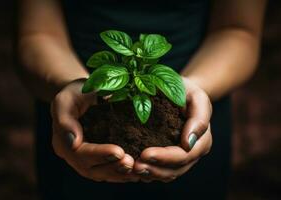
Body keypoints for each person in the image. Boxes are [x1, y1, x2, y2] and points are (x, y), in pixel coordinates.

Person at [17, 0, 266, 199]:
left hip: (190, 104)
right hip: (80, 107)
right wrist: (74, 89)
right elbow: (37, 33)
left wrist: (195, 89)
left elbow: (238, 30)